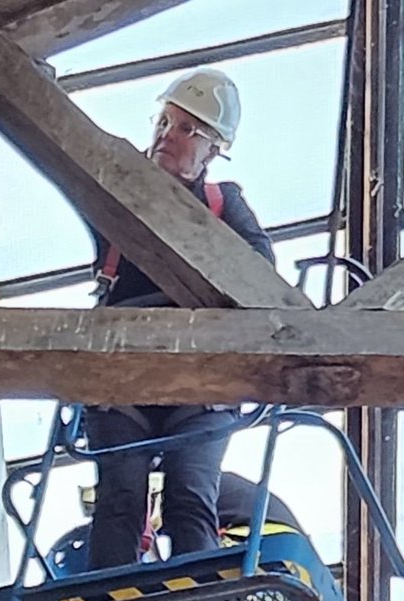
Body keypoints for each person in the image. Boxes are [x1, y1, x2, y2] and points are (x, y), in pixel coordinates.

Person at [85, 68, 276, 572]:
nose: (168, 134)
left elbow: (260, 274)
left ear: (213, 149)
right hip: (123, 375)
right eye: (166, 121)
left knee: (190, 501)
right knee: (119, 501)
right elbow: (75, 175)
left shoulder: (223, 204)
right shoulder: (117, 192)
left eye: (188, 128)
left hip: (201, 384)